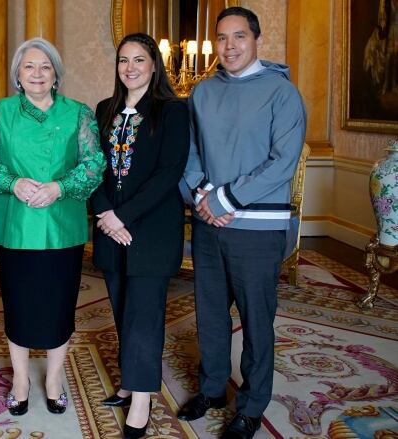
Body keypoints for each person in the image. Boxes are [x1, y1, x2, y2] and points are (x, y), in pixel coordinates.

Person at [178, 7, 306, 439]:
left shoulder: (281, 92)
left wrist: (226, 197)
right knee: (210, 314)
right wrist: (201, 196)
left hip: (257, 227)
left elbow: (283, 162)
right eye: (221, 38)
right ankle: (213, 389)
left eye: (238, 37)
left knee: (256, 319)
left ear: (256, 40)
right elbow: (188, 153)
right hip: (209, 222)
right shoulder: (202, 92)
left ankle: (251, 406)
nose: (229, 46)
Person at [0, 37, 105, 417]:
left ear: (56, 75)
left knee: (60, 304)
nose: (37, 73)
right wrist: (13, 182)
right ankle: (20, 379)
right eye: (29, 66)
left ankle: (53, 379)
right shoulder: (0, 112)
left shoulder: (78, 113)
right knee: (18, 304)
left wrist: (59, 187)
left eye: (45, 67)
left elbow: (94, 164)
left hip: (63, 225)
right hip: (17, 225)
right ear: (17, 73)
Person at [90, 33, 189, 439]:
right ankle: (130, 380)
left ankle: (142, 398)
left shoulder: (172, 111)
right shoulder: (104, 110)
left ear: (154, 65)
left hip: (151, 229)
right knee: (121, 308)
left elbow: (169, 173)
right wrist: (102, 211)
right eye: (123, 61)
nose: (130, 68)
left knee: (144, 315)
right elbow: (90, 166)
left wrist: (121, 215)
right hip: (110, 228)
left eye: (139, 60)